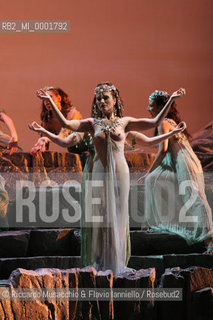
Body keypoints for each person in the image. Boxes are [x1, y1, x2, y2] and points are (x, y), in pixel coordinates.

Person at [29, 83, 186, 274]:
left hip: (120, 171)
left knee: (119, 214)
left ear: (115, 100)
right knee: (100, 215)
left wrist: (171, 100)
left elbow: (153, 123)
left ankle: (116, 261)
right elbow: (65, 124)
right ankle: (100, 261)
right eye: (99, 98)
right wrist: (49, 102)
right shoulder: (91, 123)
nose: (102, 101)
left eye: (106, 98)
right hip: (99, 171)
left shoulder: (125, 122)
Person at [143, 90, 213, 253]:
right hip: (189, 160)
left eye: (151, 106)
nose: (148, 109)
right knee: (194, 196)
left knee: (195, 197)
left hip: (184, 162)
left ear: (161, 107)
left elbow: (163, 150)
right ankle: (207, 240)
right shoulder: (172, 122)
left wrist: (149, 172)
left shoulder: (164, 123)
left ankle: (210, 241)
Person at [30, 87, 82, 155]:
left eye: (50, 97)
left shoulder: (71, 113)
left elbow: (63, 136)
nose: (47, 101)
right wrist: (37, 148)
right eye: (44, 99)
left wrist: (46, 139)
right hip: (74, 151)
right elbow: (44, 143)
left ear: (59, 98)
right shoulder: (48, 119)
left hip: (89, 149)